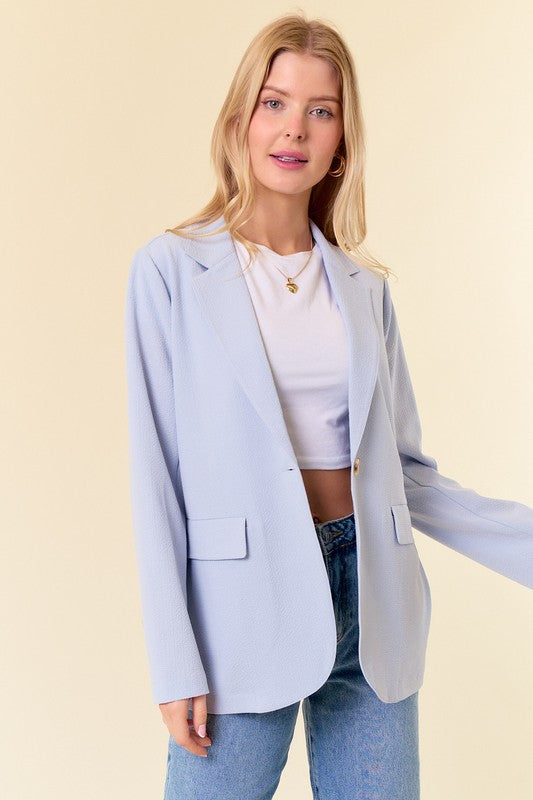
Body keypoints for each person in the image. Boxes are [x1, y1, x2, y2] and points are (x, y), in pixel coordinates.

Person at [124, 12, 533, 800]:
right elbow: (155, 477)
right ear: (240, 120)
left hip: (373, 597)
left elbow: (407, 478)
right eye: (274, 103)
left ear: (342, 138)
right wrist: (173, 661)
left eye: (321, 110)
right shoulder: (171, 271)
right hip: (239, 612)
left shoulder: (361, 287)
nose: (294, 129)